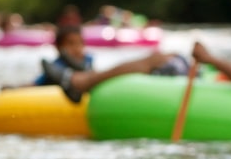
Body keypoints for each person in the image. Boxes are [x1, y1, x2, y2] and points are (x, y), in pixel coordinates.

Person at [34, 25, 180, 103]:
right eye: (71, 44)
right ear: (59, 48)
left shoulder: (87, 60)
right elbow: (37, 85)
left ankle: (73, 79)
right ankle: (69, 79)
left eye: (80, 44)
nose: (77, 48)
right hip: (48, 87)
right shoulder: (55, 65)